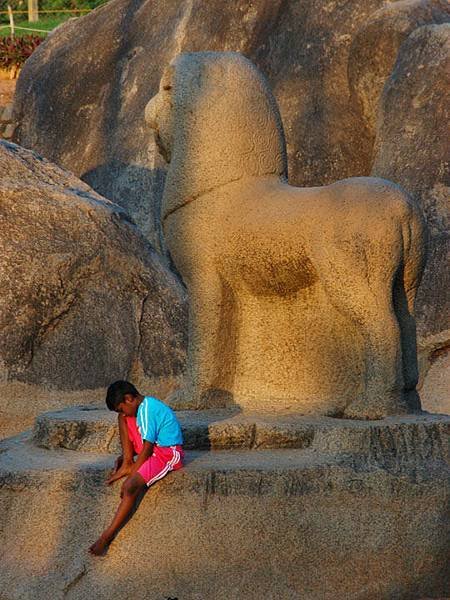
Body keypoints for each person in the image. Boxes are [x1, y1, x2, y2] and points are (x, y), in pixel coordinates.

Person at [89, 380, 184, 556]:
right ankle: (126, 462)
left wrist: (133, 475)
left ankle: (106, 537)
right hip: (153, 447)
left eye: (121, 407)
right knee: (123, 419)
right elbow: (145, 444)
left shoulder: (149, 409)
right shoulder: (138, 408)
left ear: (129, 399)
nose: (122, 411)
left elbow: (147, 449)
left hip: (166, 453)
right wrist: (129, 462)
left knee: (129, 487)